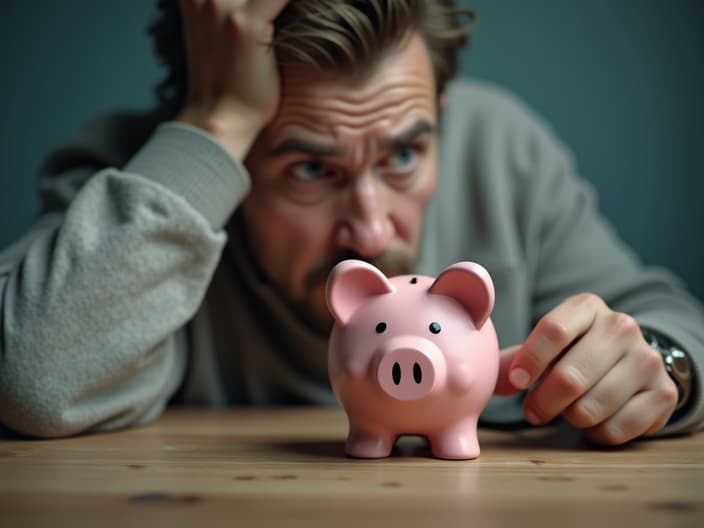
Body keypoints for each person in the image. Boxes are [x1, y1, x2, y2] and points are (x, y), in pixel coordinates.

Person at [0, 0, 702, 446]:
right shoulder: (146, 177)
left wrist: (660, 367)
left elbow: (669, 319)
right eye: (310, 169)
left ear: (443, 118)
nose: (370, 234)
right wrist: (212, 129)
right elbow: (27, 376)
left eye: (403, 154)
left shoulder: (502, 149)